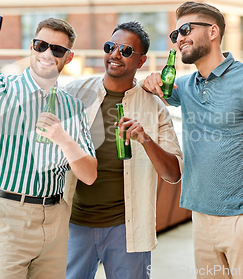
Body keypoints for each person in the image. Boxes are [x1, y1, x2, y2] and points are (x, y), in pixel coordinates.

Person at [0, 8, 97, 279]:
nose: (48, 54)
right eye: (41, 45)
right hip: (6, 215)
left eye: (58, 50)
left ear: (68, 57)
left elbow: (89, 175)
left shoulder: (73, 107)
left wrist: (63, 139)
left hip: (55, 218)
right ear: (32, 46)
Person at [143, 2, 243, 278]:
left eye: (185, 29)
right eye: (175, 34)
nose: (179, 38)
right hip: (201, 219)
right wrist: (148, 81)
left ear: (213, 31)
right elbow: (151, 88)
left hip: (242, 219)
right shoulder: (185, 86)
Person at [64, 21, 184, 279]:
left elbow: (173, 173)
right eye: (111, 47)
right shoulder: (74, 93)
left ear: (141, 61)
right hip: (74, 225)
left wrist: (146, 139)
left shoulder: (155, 107)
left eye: (126, 51)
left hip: (127, 229)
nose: (115, 54)